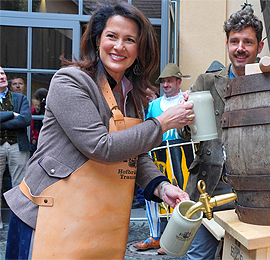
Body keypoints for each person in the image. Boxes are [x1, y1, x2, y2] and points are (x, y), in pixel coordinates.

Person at [2, 3, 191, 258]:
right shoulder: (70, 80)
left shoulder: (132, 94)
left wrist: (160, 187)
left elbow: (134, 152)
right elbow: (100, 146)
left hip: (96, 218)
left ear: (139, 49)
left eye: (130, 40)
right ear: (97, 39)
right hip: (47, 213)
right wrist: (163, 123)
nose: (119, 46)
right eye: (112, 36)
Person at [179, 7, 262, 260]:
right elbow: (185, 133)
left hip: (252, 192)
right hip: (208, 187)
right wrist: (185, 116)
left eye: (248, 42)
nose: (240, 48)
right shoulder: (206, 81)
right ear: (226, 44)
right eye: (234, 41)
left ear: (259, 47)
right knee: (199, 256)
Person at [132, 63, 192, 254]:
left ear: (178, 82)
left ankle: (174, 238)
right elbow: (148, 128)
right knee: (152, 194)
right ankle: (155, 236)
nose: (165, 84)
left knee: (180, 193)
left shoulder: (186, 100)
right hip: (157, 153)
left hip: (181, 152)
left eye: (169, 81)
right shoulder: (154, 105)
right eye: (163, 81)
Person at [0, 67, 31, 192]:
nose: (2, 77)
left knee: (20, 187)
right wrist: (12, 114)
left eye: (2, 73)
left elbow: (25, 120)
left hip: (18, 145)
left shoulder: (20, 98)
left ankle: (17, 213)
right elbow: (19, 119)